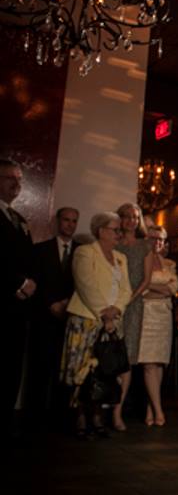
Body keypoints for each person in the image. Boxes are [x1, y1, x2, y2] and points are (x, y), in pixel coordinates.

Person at [61, 212, 132, 439]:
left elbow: (126, 290)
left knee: (104, 372)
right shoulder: (85, 252)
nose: (119, 234)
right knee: (81, 371)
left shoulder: (121, 258)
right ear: (101, 230)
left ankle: (97, 417)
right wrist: (104, 313)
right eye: (115, 229)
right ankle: (80, 418)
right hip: (87, 320)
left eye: (120, 230)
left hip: (111, 324)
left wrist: (116, 311)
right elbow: (86, 285)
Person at [31, 206, 79, 421]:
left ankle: (61, 416)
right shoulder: (40, 250)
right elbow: (36, 282)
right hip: (45, 316)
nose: (70, 224)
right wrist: (51, 303)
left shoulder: (83, 251)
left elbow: (84, 284)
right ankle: (36, 415)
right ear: (58, 222)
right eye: (66, 220)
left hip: (72, 315)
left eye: (74, 221)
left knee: (67, 367)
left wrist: (69, 303)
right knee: (41, 366)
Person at [0, 159, 37, 440]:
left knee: (12, 365)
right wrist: (18, 283)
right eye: (9, 178)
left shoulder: (20, 220)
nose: (16, 184)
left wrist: (31, 284)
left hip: (18, 309)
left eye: (19, 179)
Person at [136, 225, 178, 428]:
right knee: (149, 364)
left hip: (163, 317)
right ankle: (159, 409)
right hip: (145, 315)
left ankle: (150, 408)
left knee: (159, 362)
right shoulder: (139, 261)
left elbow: (172, 288)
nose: (157, 243)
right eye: (153, 239)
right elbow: (138, 289)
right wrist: (154, 288)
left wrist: (148, 285)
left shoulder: (169, 263)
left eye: (161, 240)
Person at [115, 203, 148, 428]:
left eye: (135, 217)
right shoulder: (112, 243)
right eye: (126, 217)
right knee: (108, 356)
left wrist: (128, 300)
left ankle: (117, 411)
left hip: (133, 307)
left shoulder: (144, 246)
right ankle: (102, 408)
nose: (131, 221)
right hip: (110, 305)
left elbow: (145, 279)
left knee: (126, 360)